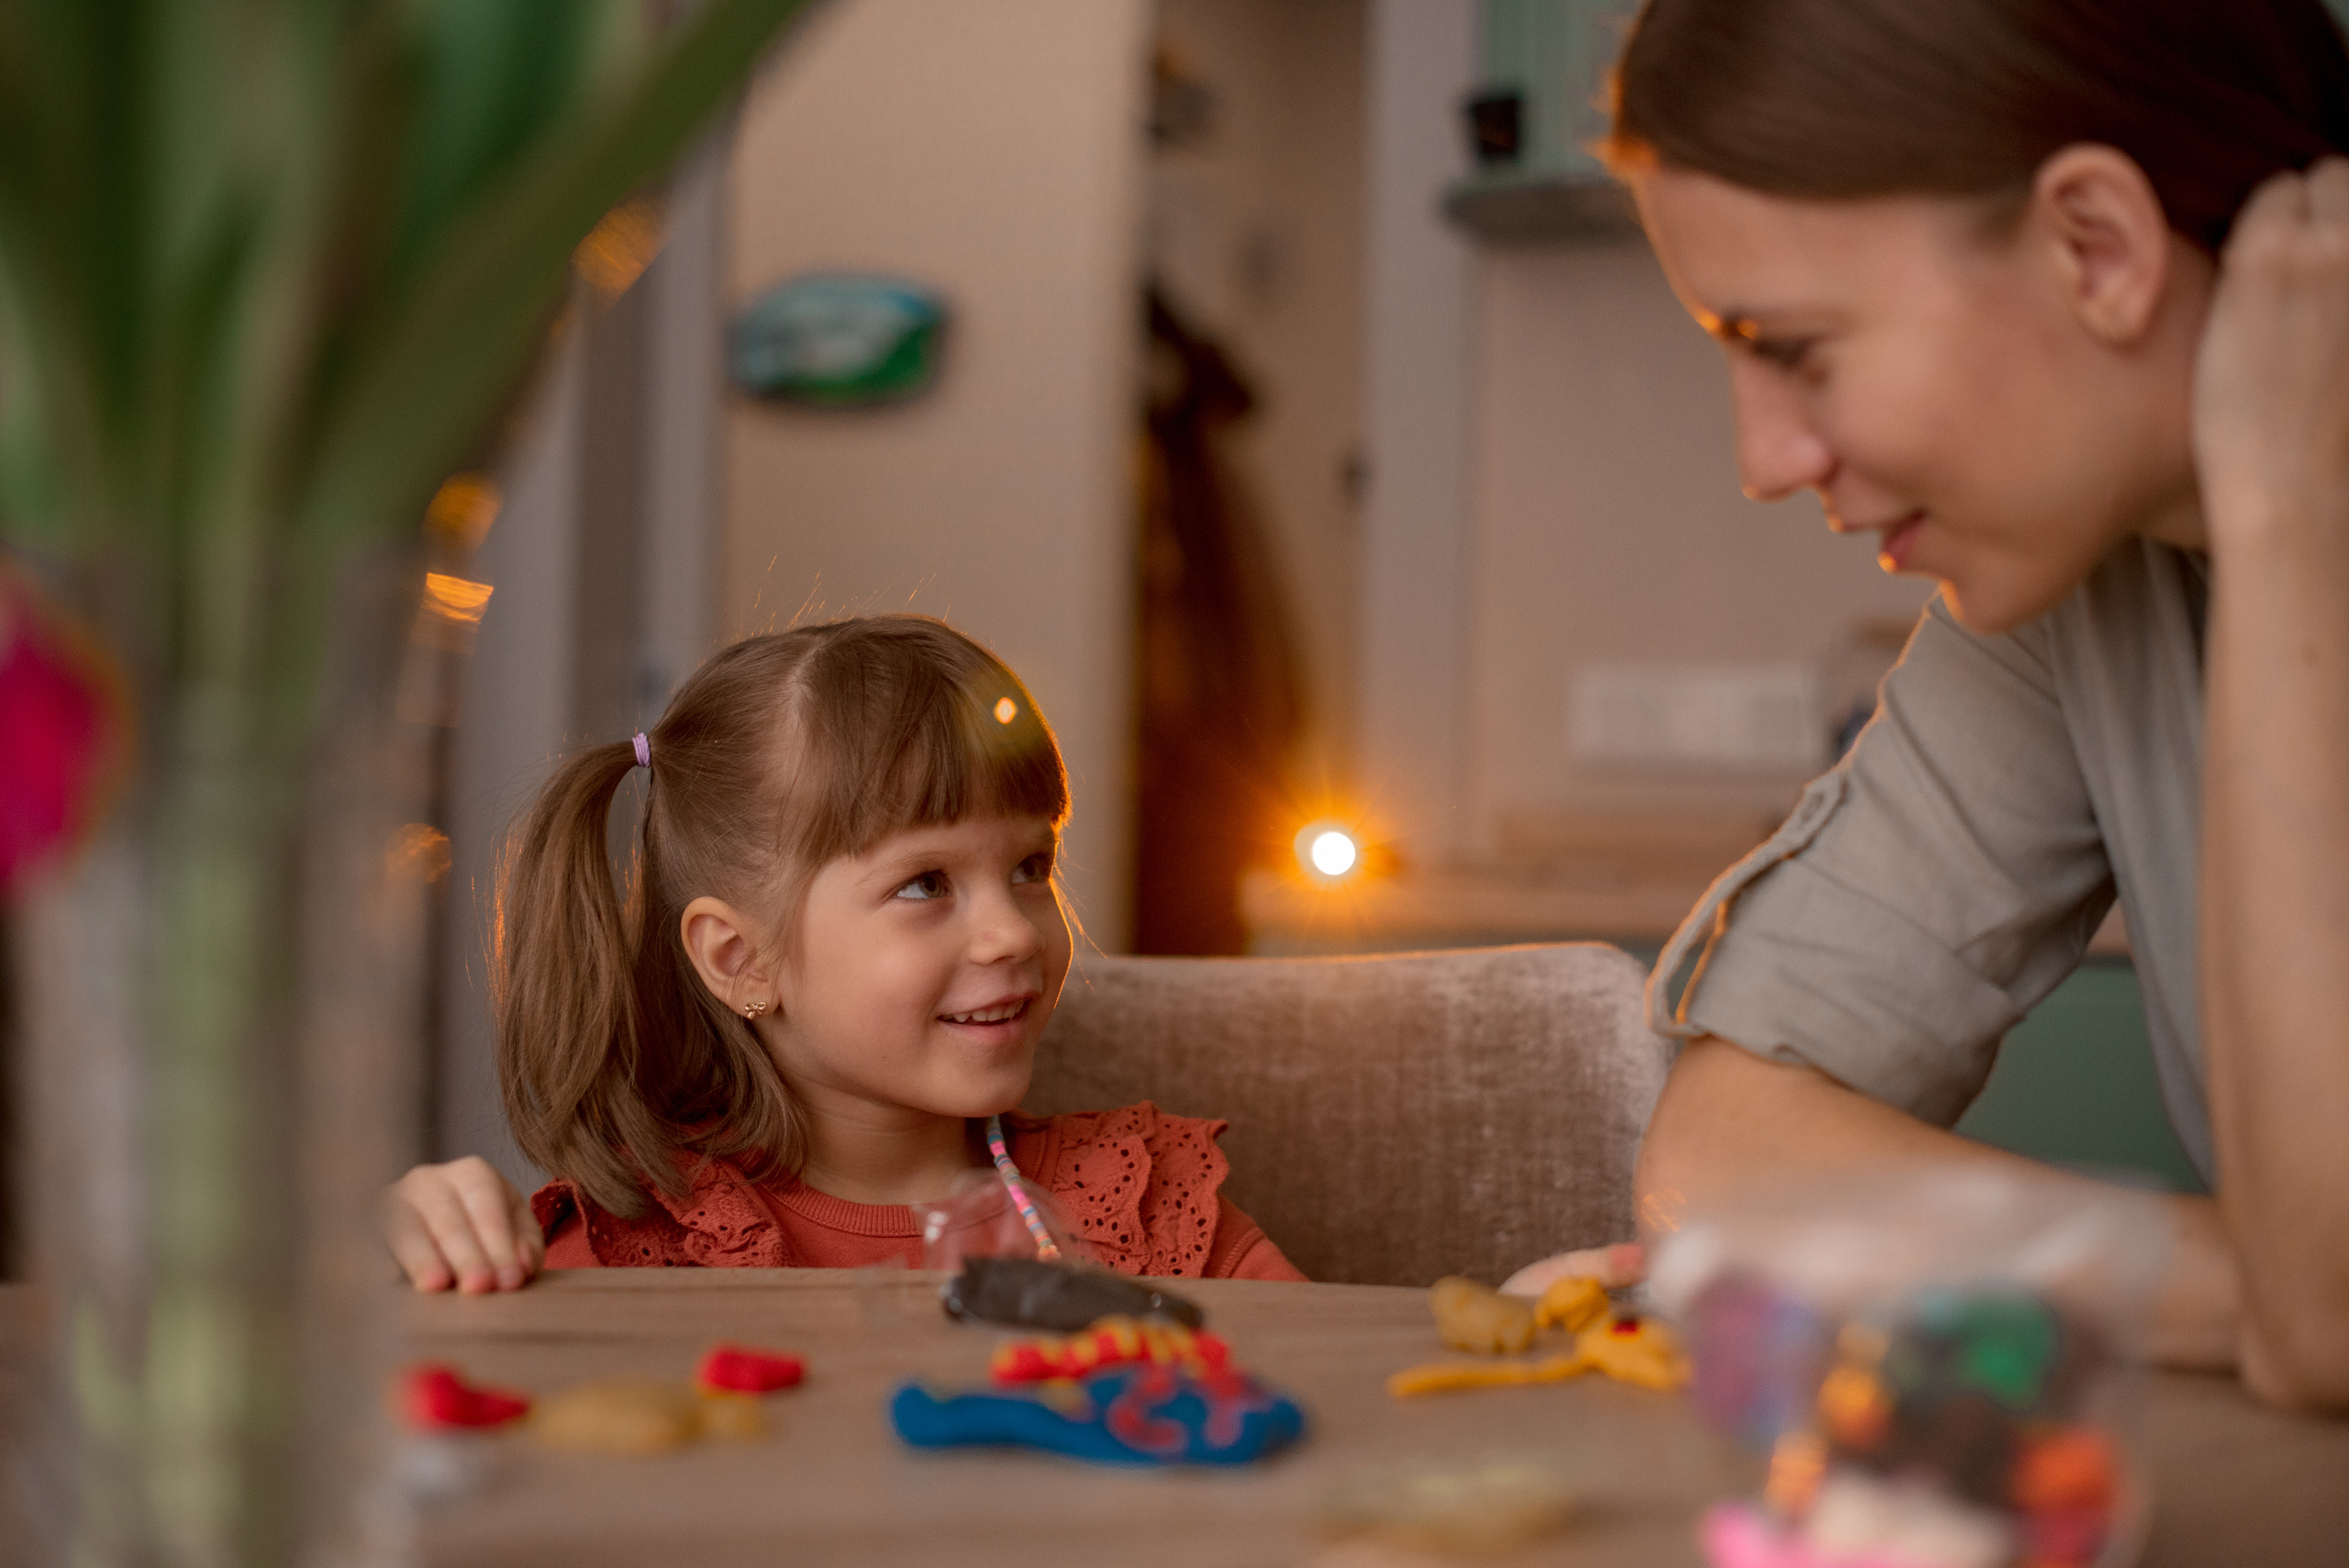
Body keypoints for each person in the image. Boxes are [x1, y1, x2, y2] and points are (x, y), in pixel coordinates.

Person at [1507, 0, 2349, 1412]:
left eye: (1798, 347)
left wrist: (2284, 527)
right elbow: (1723, 1156)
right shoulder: (2075, 579)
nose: (1764, 458)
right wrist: (2256, 1278)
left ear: (2101, 247)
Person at [384, 616, 1304, 1288]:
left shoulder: (1144, 1203)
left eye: (1031, 864)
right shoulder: (636, 1245)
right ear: (740, 959)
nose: (1015, 931)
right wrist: (419, 1262)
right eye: (925, 884)